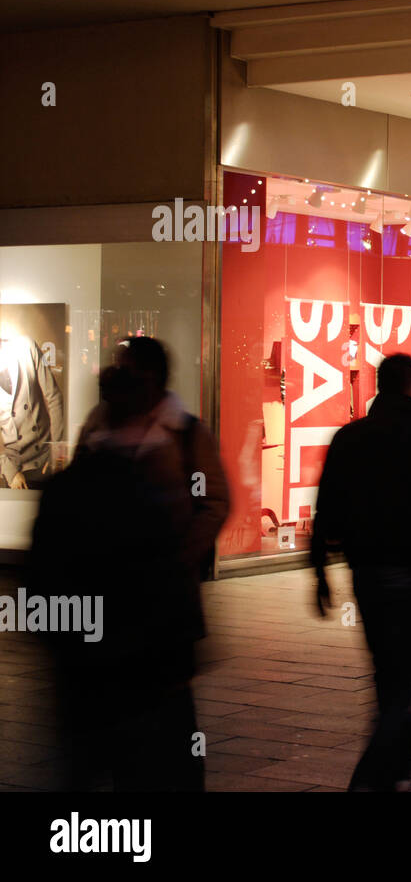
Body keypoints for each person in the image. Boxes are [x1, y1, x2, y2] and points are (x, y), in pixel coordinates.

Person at [32, 336, 229, 791]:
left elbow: (209, 500)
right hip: (145, 655)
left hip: (109, 654)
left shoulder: (184, 436)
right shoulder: (126, 476)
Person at [313, 353, 411, 791]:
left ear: (378, 385)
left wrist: (318, 570)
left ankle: (397, 772)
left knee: (388, 671)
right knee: (400, 678)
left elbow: (327, 507)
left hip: (368, 572)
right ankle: (375, 776)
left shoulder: (351, 436)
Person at [0, 335, 65, 490]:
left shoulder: (26, 346)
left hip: (43, 458)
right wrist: (10, 472)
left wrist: (55, 451)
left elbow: (54, 397)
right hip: (11, 465)